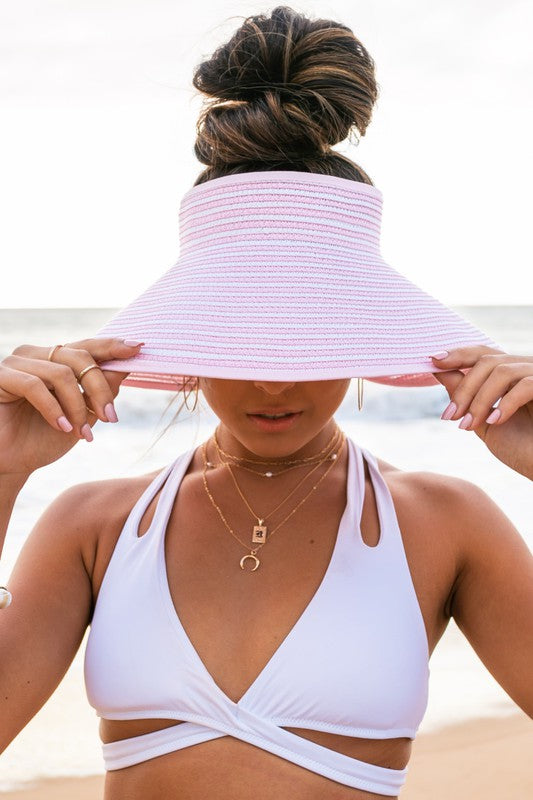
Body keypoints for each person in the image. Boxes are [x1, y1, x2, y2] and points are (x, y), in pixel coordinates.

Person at [1, 7, 532, 800]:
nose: (274, 382)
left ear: (357, 335)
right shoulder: (93, 526)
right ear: (191, 338)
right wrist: (0, 477)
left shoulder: (446, 524)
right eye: (243, 340)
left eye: (305, 342)